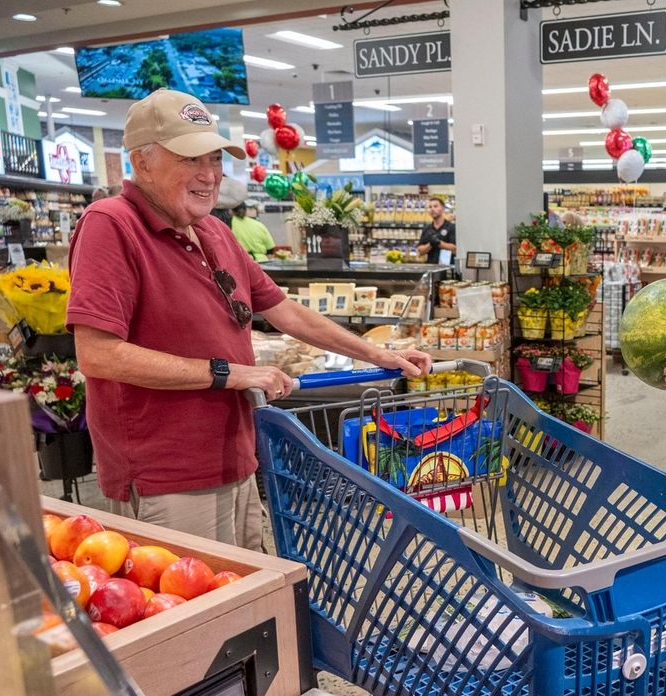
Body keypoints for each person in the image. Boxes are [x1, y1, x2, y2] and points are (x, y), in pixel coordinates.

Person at [66, 89, 432, 550]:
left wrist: (380, 353)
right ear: (142, 162)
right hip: (167, 475)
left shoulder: (213, 231)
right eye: (190, 158)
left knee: (247, 602)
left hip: (238, 459)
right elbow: (98, 355)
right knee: (192, 611)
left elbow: (285, 312)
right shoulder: (111, 224)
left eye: (216, 159)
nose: (209, 174)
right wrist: (228, 373)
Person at [416, 197, 456, 264]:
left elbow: (455, 249)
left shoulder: (451, 227)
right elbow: (420, 251)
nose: (432, 209)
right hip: (431, 268)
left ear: (443, 209)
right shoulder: (427, 229)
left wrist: (439, 242)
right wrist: (430, 244)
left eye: (435, 206)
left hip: (447, 269)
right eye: (430, 207)